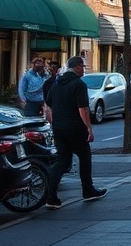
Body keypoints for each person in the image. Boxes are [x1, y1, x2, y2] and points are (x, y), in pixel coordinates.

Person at [43, 56, 107, 209]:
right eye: (83, 66)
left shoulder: (56, 83)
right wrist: (89, 128)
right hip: (75, 127)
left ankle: (50, 196)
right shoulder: (79, 84)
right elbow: (83, 109)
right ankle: (88, 190)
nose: (84, 70)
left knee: (62, 161)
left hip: (59, 128)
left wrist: (53, 123)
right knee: (85, 157)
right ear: (77, 66)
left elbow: (48, 106)